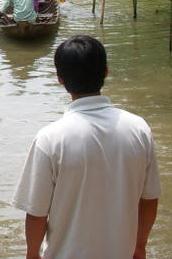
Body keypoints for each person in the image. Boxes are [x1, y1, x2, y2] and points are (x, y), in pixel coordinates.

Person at [12, 35, 160, 259]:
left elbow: (37, 213)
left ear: (60, 79)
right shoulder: (138, 129)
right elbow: (149, 199)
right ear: (106, 72)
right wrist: (139, 245)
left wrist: (32, 254)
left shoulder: (50, 139)